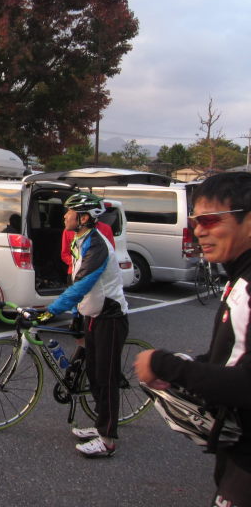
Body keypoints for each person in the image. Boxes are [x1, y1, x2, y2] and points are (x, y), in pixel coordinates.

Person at [134, 172, 251, 505]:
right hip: (234, 449)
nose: (199, 229)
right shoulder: (237, 276)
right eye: (195, 220)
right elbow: (233, 356)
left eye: (211, 219)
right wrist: (190, 365)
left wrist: (165, 364)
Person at [44, 192, 128, 458]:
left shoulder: (97, 245)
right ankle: (99, 425)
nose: (65, 216)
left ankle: (107, 440)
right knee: (93, 374)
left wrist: (51, 310)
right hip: (93, 314)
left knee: (106, 378)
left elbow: (83, 283)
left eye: (69, 212)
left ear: (83, 218)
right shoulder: (80, 240)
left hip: (110, 317)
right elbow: (74, 279)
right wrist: (75, 309)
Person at [61, 216, 114, 284]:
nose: (65, 215)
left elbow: (110, 251)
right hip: (75, 273)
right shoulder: (69, 229)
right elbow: (65, 254)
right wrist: (79, 264)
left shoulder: (106, 228)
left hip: (98, 273)